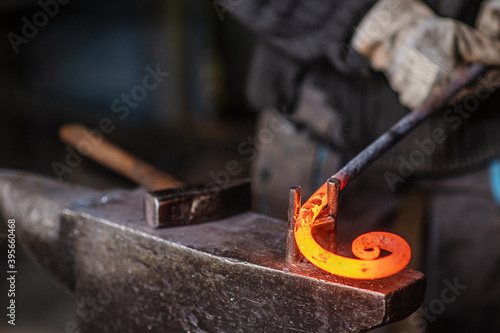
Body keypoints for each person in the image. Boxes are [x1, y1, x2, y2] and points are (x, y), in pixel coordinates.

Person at [223, 0, 500, 332]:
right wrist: (373, 22)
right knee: (298, 308)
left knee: (475, 310)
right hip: (325, 104)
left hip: (481, 124)